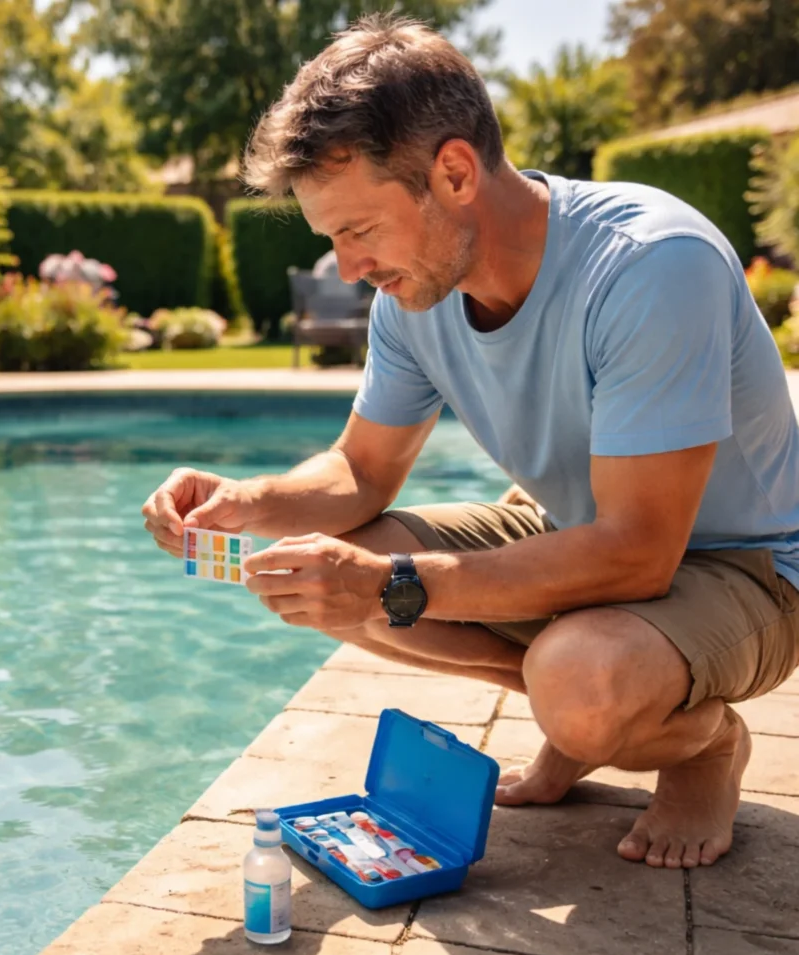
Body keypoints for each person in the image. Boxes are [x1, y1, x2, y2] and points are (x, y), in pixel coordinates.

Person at [142, 15, 799, 870]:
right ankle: (577, 714)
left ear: (453, 172)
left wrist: (399, 586)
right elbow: (362, 470)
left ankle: (700, 745)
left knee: (576, 680)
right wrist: (248, 504)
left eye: (358, 230)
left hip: (748, 564)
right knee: (323, 569)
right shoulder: (412, 300)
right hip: (575, 528)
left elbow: (640, 555)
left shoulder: (648, 265)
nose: (345, 267)